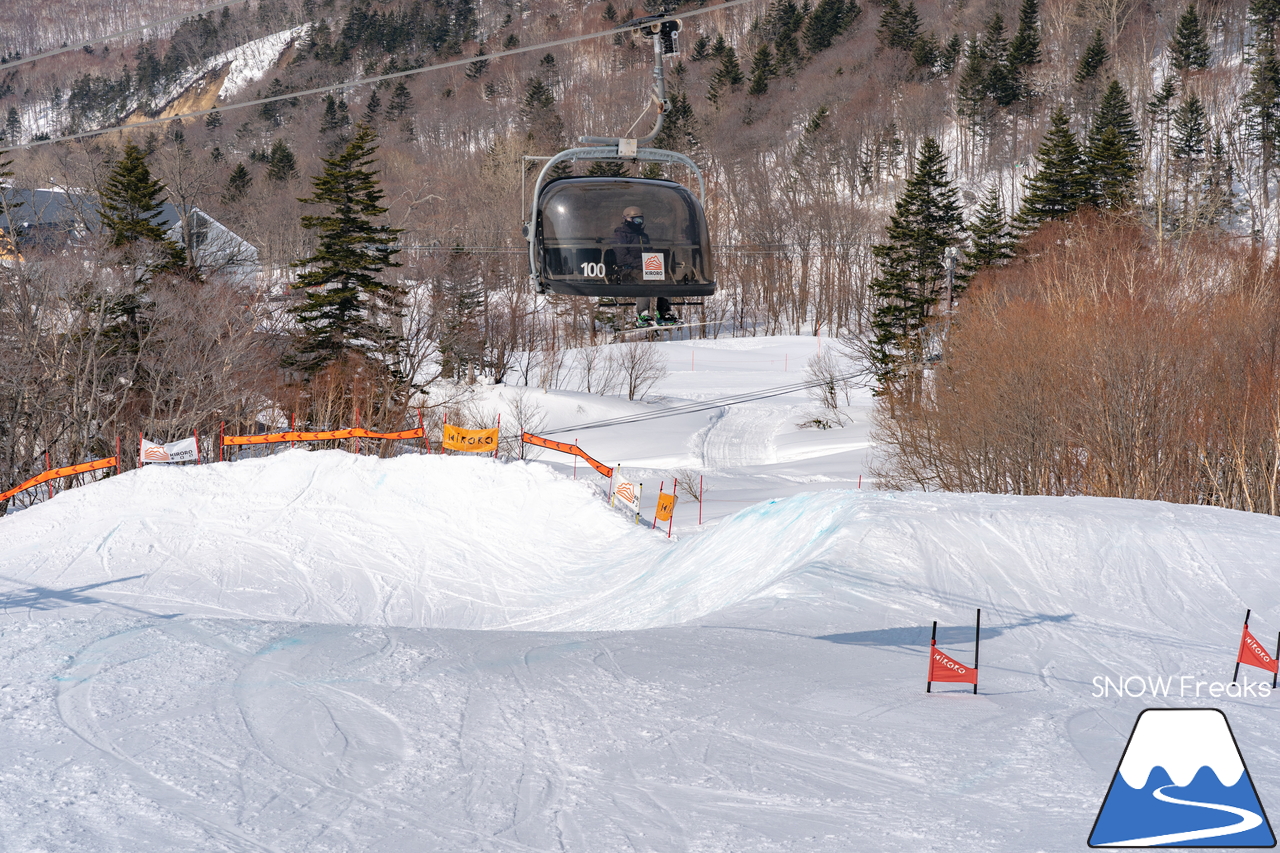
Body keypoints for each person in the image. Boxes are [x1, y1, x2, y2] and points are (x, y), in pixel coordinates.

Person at [612, 205, 676, 326]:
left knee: (666, 278)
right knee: (644, 278)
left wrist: (654, 260)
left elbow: (649, 252)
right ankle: (642, 313)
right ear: (627, 219)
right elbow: (622, 258)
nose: (639, 223)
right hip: (627, 270)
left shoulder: (643, 236)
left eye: (641, 220)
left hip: (643, 267)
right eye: (636, 220)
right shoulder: (620, 235)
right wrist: (641, 264)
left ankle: (664, 312)